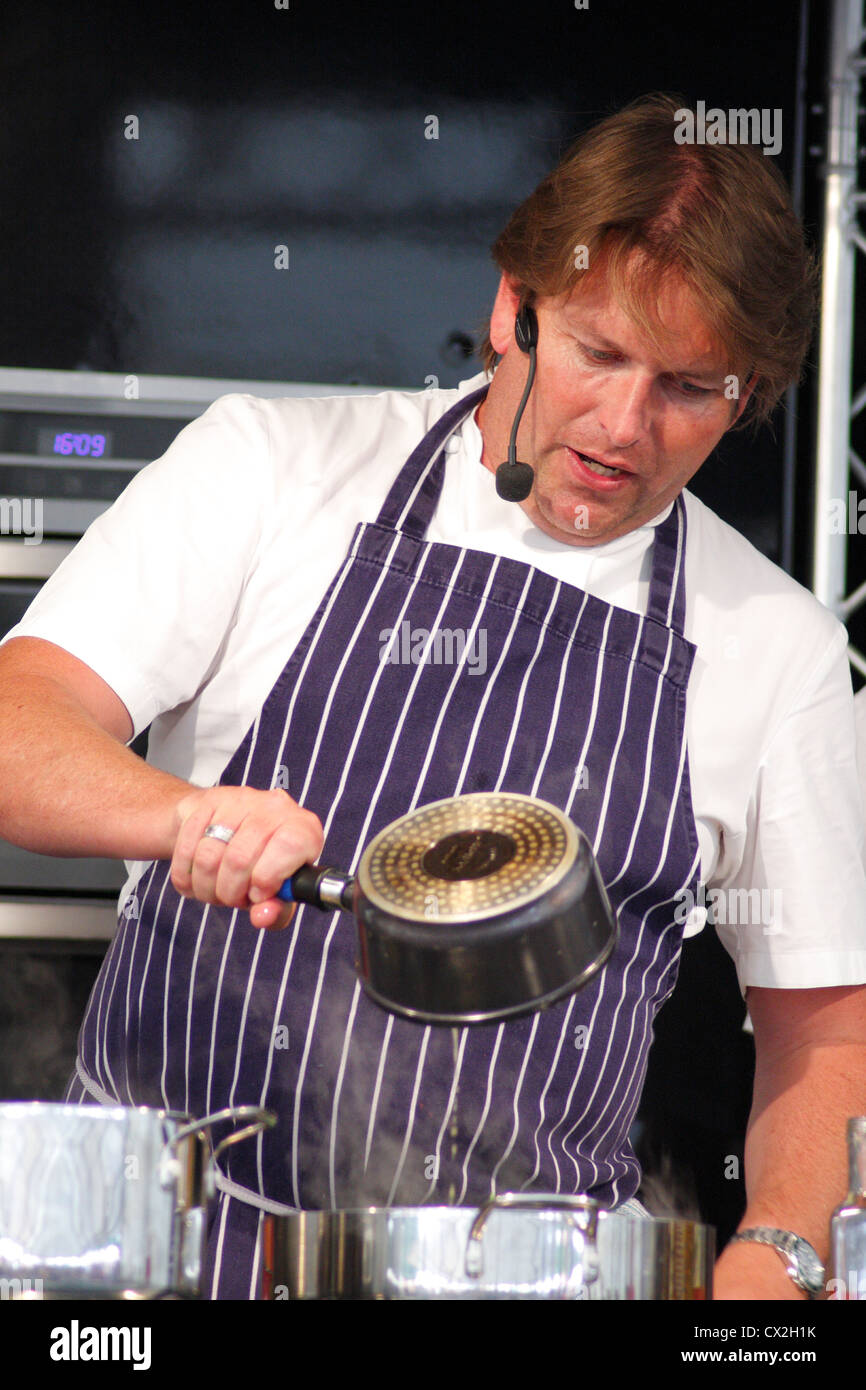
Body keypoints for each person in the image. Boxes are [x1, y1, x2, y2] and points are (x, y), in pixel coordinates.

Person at [1, 93, 864, 1302]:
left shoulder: (775, 649)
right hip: (160, 1266)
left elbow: (826, 1034)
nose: (623, 425)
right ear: (511, 307)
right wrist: (177, 819)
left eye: (688, 386)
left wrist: (765, 1274)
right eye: (597, 352)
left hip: (522, 1282)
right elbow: (18, 717)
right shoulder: (271, 468)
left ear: (747, 395)